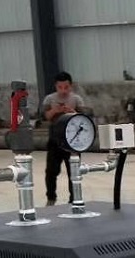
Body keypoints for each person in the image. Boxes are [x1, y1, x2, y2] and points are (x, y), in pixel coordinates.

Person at [41, 72, 86, 206]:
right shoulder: (49, 99)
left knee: (74, 171)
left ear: (70, 86)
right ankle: (51, 198)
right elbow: (44, 117)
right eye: (60, 87)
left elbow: (84, 118)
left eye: (66, 87)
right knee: (51, 171)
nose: (63, 91)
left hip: (73, 140)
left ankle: (74, 198)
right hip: (55, 140)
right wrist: (55, 110)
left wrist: (72, 112)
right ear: (56, 86)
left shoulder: (77, 99)